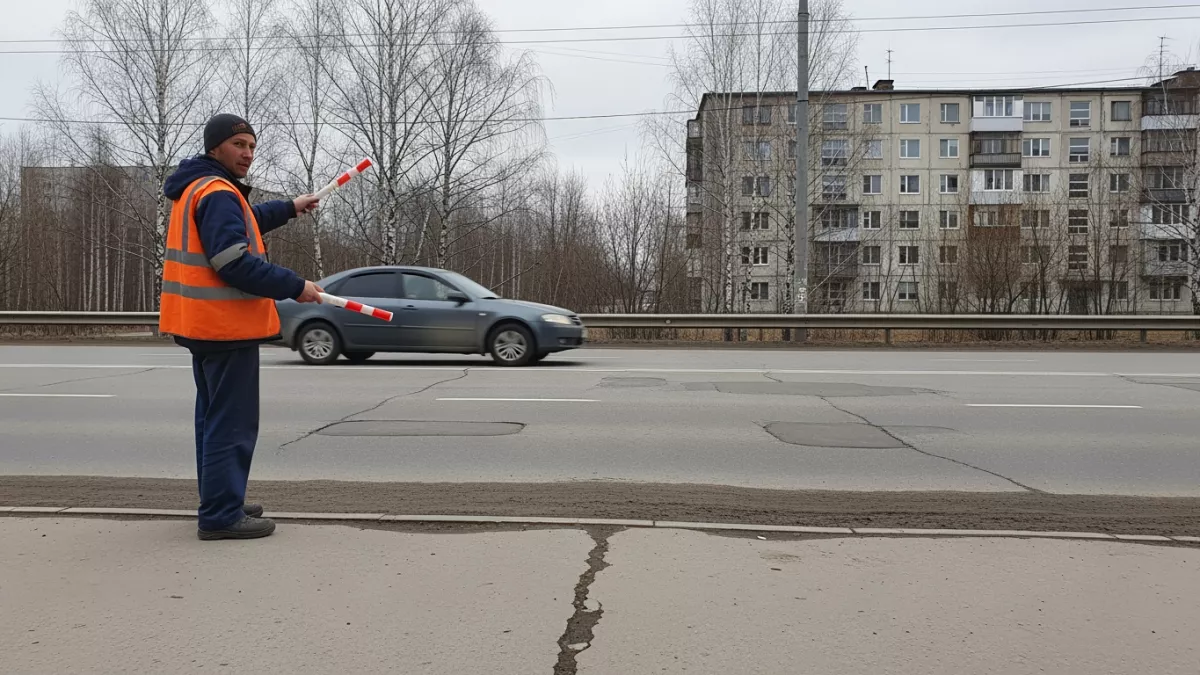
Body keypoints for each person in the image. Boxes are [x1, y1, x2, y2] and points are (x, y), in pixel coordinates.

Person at [159, 113, 324, 541]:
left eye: (251, 146)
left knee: (213, 421)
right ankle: (220, 514)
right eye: (239, 145)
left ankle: (222, 498)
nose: (248, 154)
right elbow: (232, 261)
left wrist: (289, 208)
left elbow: (246, 219)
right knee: (230, 425)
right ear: (216, 148)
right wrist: (296, 286)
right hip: (225, 327)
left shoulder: (200, 187)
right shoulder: (216, 192)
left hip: (203, 326)